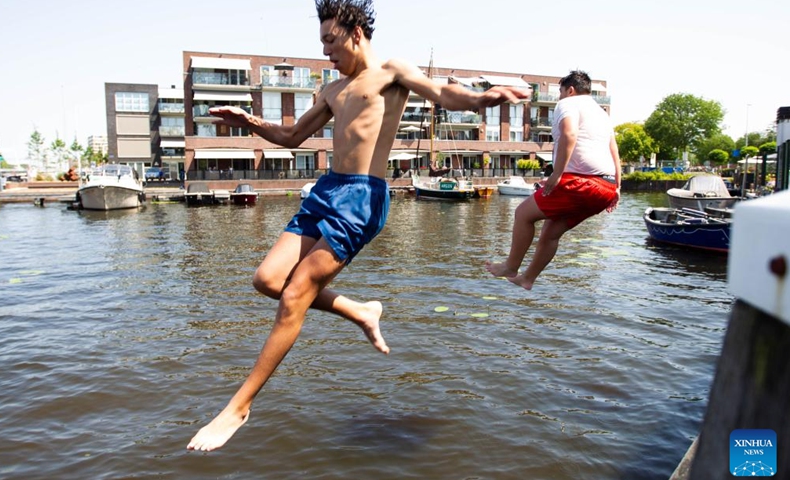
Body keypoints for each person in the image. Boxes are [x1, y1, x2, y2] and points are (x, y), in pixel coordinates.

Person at [187, 0, 530, 452]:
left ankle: (238, 407)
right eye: (322, 43)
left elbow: (444, 95)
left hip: (362, 197)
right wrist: (248, 120)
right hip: (326, 189)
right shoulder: (332, 91)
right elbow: (291, 138)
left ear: (355, 33)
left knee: (296, 294)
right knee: (268, 280)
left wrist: (484, 97)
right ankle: (361, 310)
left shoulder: (391, 71)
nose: (327, 53)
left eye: (331, 42)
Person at [485, 70, 620, 290]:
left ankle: (511, 266)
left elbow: (569, 134)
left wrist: (556, 175)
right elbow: (613, 149)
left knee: (522, 214)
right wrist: (618, 186)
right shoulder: (602, 114)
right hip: (606, 188)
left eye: (559, 92)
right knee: (550, 232)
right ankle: (527, 278)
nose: (558, 97)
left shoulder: (569, 103)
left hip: (580, 182)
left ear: (570, 89)